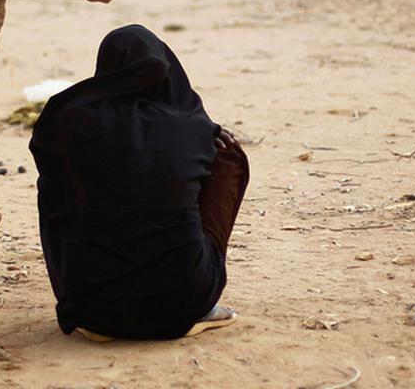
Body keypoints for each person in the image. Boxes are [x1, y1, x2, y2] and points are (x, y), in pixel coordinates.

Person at [29, 25, 250, 341]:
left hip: (94, 306)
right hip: (184, 300)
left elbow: (45, 149)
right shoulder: (189, 126)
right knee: (227, 159)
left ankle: (89, 306)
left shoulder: (70, 122)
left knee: (56, 182)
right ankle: (201, 306)